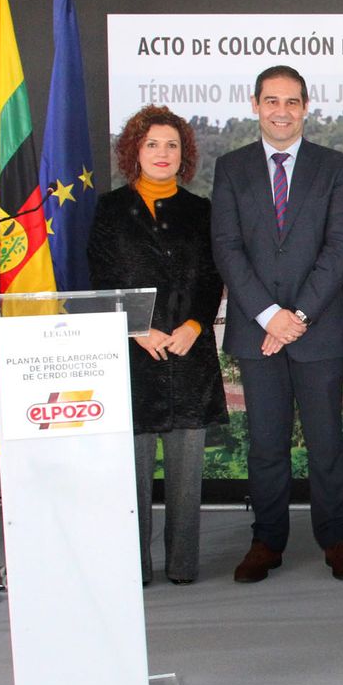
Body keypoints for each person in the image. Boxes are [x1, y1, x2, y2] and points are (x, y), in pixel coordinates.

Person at [211, 65, 343, 583]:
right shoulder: (231, 168)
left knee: (326, 443)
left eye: (292, 101)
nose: (281, 111)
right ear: (255, 104)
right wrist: (269, 316)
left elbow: (340, 248)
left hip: (317, 330)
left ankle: (336, 538)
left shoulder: (336, 166)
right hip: (258, 333)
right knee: (266, 444)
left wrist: (296, 316)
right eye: (271, 101)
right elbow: (228, 249)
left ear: (306, 107)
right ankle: (267, 541)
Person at [88, 105, 228, 585]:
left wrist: (194, 324)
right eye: (152, 144)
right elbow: (101, 277)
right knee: (134, 475)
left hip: (190, 353)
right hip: (131, 355)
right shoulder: (109, 208)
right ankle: (136, 568)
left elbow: (213, 275)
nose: (162, 153)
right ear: (134, 150)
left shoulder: (202, 210)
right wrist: (136, 328)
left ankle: (183, 567)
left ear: (184, 154)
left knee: (187, 479)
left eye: (172, 145)